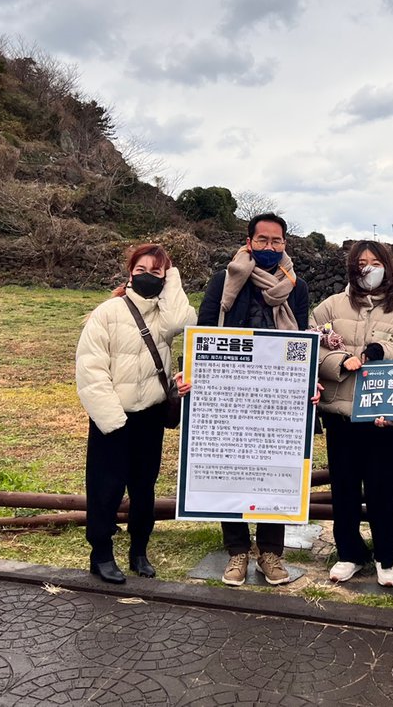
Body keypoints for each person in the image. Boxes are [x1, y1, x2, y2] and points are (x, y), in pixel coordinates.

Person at [197, 213, 310, 587]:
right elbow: (206, 327)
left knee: (277, 469)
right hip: (230, 392)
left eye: (276, 242)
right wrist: (196, 375)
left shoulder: (297, 287)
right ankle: (237, 552)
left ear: (284, 246)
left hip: (278, 393)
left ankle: (271, 552)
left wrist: (304, 379)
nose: (269, 248)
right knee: (232, 468)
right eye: (261, 241)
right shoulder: (225, 280)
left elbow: (301, 342)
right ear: (248, 242)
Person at [76, 243, 197, 584]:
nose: (148, 277)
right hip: (113, 417)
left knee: (144, 487)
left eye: (156, 272)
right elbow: (91, 370)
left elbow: (183, 321)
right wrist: (112, 420)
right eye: (141, 270)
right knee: (105, 489)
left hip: (151, 415)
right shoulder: (108, 313)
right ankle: (100, 554)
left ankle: (139, 550)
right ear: (130, 273)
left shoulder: (163, 316)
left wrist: (170, 275)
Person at [313, 240, 393, 587]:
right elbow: (309, 345)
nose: (368, 269)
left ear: (388, 268)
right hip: (341, 413)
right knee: (344, 487)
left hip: (386, 417)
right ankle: (349, 553)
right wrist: (338, 362)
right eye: (361, 263)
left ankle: (386, 556)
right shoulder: (330, 307)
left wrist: (381, 350)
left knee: (384, 489)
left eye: (375, 263)